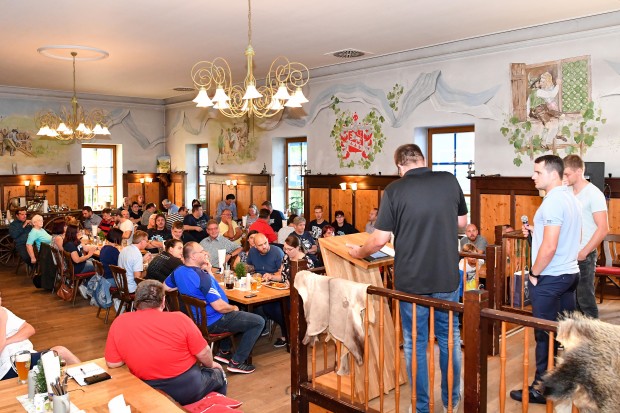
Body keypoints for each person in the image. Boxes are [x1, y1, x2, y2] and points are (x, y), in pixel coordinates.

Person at [348, 144, 467, 413]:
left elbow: (378, 240)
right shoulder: (449, 180)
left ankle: (422, 407)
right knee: (449, 340)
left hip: (411, 280)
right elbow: (462, 222)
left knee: (416, 343)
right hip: (447, 275)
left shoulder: (394, 190)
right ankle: (451, 400)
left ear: (400, 166)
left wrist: (359, 251)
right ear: (424, 160)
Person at [509, 154, 581, 405]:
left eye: (537, 172)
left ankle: (541, 389)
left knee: (544, 334)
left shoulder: (552, 203)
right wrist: (535, 232)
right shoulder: (570, 197)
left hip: (551, 276)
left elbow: (549, 247)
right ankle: (563, 383)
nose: (532, 176)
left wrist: (534, 273)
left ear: (553, 174)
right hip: (570, 273)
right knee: (563, 333)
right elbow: (561, 236)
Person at [104, 280, 226, 404]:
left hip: (147, 390)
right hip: (187, 387)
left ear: (136, 301)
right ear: (163, 301)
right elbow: (204, 352)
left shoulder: (120, 322)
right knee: (219, 374)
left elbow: (113, 363)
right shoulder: (180, 319)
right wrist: (211, 365)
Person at [164, 242, 264, 374]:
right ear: (193, 256)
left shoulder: (179, 271)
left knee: (235, 313)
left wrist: (208, 272)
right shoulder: (202, 277)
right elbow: (220, 307)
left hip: (197, 321)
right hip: (215, 321)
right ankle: (237, 362)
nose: (206, 253)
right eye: (202, 251)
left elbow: (166, 287)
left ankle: (224, 352)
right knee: (258, 321)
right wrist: (233, 308)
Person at [563, 155, 609, 319]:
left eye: (567, 174)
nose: (565, 178)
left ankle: (593, 341)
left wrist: (584, 252)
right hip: (568, 253)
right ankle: (576, 342)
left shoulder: (594, 194)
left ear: (579, 171)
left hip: (585, 255)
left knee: (585, 300)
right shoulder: (566, 192)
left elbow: (603, 228)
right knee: (570, 301)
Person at [1, 290, 80, 381]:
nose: (1, 299)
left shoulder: (3, 310)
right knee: (61, 352)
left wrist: (7, 341)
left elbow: (29, 329)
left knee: (63, 367)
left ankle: (88, 379)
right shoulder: (2, 314)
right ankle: (89, 379)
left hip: (27, 354)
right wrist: (2, 320)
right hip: (8, 366)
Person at [261, 235, 314, 349]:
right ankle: (289, 333)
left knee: (279, 309)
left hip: (301, 296)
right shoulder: (286, 257)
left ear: (298, 248)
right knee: (267, 307)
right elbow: (283, 276)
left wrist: (294, 285)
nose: (287, 251)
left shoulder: (306, 261)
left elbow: (310, 285)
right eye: (285, 248)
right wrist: (271, 277)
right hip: (285, 293)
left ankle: (289, 335)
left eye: (289, 249)